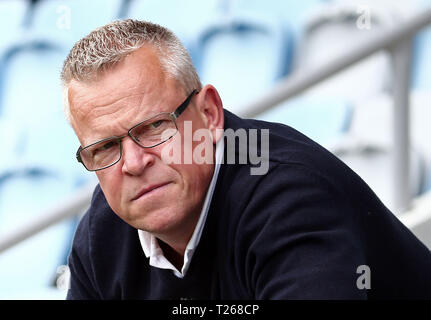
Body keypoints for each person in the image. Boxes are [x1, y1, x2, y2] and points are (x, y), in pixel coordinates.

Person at [62, 19, 431, 299]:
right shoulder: (101, 233)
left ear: (209, 114)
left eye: (155, 127)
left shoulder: (290, 195)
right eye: (105, 148)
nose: (133, 162)